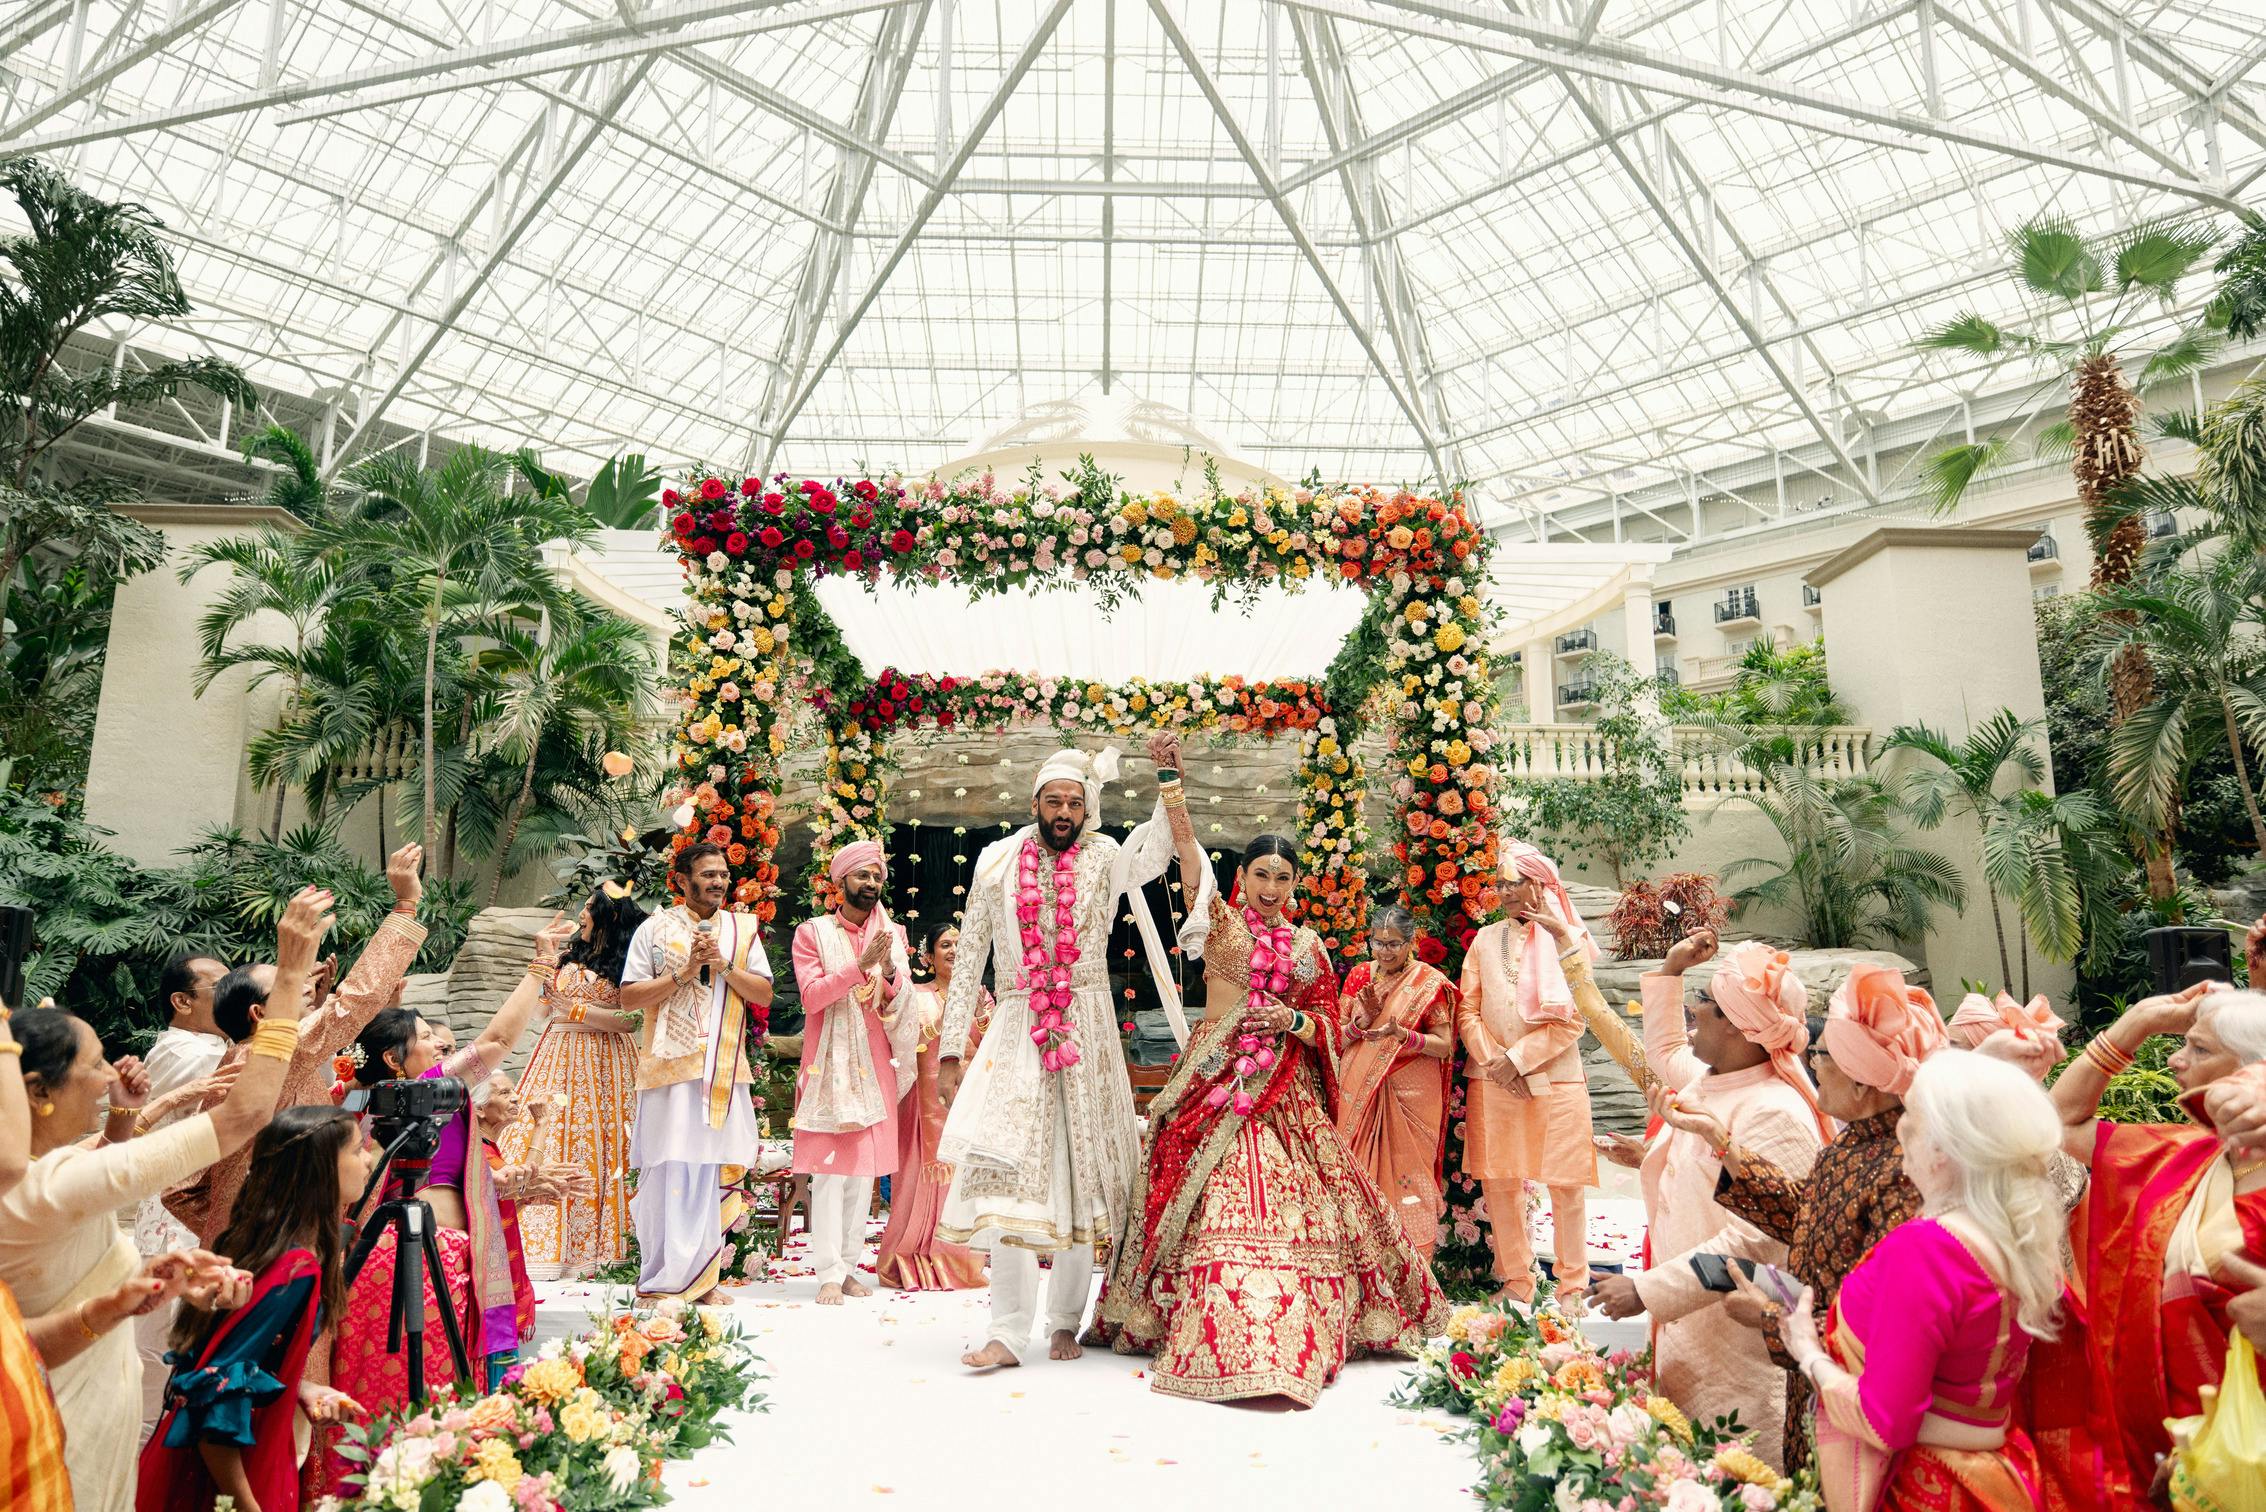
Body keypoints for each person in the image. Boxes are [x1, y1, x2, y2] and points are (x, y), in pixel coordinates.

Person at [1089, 798, 1448, 1406]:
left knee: (1316, 1200)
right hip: (1217, 1082)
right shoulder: (1222, 922)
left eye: (1283, 878)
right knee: (1205, 1190)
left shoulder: (1311, 947)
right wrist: (1175, 788)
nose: (1272, 888)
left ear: (1295, 884)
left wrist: (1296, 1020)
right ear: (1243, 878)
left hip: (1287, 1091)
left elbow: (1331, 1022)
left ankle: (1294, 1329)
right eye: (1262, 875)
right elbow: (1187, 858)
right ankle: (1198, 1320)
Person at [0, 889, 334, 1512]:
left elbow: (17, 1340)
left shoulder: (54, 1173)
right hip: (53, 1445)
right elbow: (247, 1115)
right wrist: (289, 977)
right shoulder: (44, 1188)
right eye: (95, 1066)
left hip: (71, 1428)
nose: (108, 1079)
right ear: (36, 1091)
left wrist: (129, 1292)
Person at [934, 736, 1186, 1370]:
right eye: (1054, 801)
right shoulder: (996, 861)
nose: (1064, 812)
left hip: (1089, 1029)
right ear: (1035, 802)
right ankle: (1007, 1329)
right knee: (1008, 1171)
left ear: (1088, 808)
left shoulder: (1104, 857)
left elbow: (1159, 851)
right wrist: (948, 1052)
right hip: (1017, 1026)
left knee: (1083, 1172)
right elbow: (969, 961)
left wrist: (1168, 781)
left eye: (1075, 802)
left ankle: (1066, 1320)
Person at [315, 914, 573, 1491]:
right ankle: (422, 1482)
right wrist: (539, 966)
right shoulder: (424, 1087)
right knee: (430, 1379)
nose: (438, 1042)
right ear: (393, 1060)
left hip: (402, 1254)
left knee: (381, 1374)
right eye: (427, 1034)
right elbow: (501, 1041)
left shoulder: (353, 1098)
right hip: (416, 1258)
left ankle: (368, 1484)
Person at [1660, 959, 1943, 1475]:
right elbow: (1799, 1213)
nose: (1810, 1059)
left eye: (1825, 1054)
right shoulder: (1851, 1147)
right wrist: (1719, 1141)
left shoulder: (1904, 1173)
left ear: (1863, 1086)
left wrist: (1772, 1319)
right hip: (1816, 1388)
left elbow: (1889, 1326)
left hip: (1860, 1407)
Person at [1766, 1052, 2068, 1512]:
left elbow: (1885, 1420)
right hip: (1994, 1472)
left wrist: (1808, 1352)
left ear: (1946, 1148)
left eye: (1914, 1117)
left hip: (1922, 1484)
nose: (1902, 1130)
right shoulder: (2009, 1235)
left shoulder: (1929, 1249)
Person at [1591, 929, 1831, 1469]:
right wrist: (1671, 972)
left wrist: (1649, 1290)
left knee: (1734, 1474)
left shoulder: (1774, 1111)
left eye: (1707, 1002)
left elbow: (1757, 1239)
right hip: (1691, 1326)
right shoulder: (1711, 1080)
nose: (1695, 1009)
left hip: (1736, 1342)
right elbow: (1666, 1049)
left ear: (1740, 1028)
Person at [2049, 981, 2266, 1499]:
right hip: (2158, 1459)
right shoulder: (2181, 1155)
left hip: (2243, 1459)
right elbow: (2054, 1122)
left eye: (2199, 1048)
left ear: (2251, 1071)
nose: (2174, 1058)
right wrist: (2139, 1021)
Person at [170, 843, 428, 1245]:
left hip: (260, 1248)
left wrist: (228, 1226)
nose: (306, 988)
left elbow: (180, 1189)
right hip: (283, 1251)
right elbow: (355, 1000)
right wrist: (406, 906)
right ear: (259, 1015)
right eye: (288, 983)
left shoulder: (246, 1060)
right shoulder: (267, 1054)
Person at [137, 1106, 368, 1512]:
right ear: (320, 1170)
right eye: (357, 1149)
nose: (368, 1159)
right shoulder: (296, 1268)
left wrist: (300, 1386)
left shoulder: (275, 1249)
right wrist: (247, 1506)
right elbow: (214, 1395)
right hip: (232, 1475)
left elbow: (235, 1359)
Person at [618, 842, 775, 1305]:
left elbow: (763, 994)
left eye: (723, 875)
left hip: (723, 1068)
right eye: (708, 874)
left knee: (709, 1170)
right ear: (682, 881)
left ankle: (703, 1282)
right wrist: (685, 972)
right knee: (667, 1170)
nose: (719, 882)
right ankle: (663, 1277)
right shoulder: (655, 928)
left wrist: (723, 966)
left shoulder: (741, 930)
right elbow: (628, 998)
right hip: (670, 1071)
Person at [1455, 839, 1607, 1303]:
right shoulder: (1484, 939)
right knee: (1500, 1182)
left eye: (1513, 883)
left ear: (1539, 886)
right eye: (1499, 884)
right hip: (1492, 1077)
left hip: (1556, 1078)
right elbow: (1467, 1012)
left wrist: (1516, 1060)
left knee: (1566, 1184)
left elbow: (1577, 1018)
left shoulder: (1570, 941)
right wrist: (1496, 1063)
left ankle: (1572, 1287)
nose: (1503, 892)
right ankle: (1517, 1282)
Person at [790, 840, 914, 1305]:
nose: (871, 884)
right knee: (828, 1172)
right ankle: (827, 1271)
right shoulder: (812, 933)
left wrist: (884, 973)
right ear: (839, 882)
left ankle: (847, 1267)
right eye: (862, 876)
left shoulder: (893, 934)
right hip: (828, 1064)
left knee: (862, 1174)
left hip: (876, 1061)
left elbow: (895, 1001)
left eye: (877, 876)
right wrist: (857, 967)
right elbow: (813, 997)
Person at [501, 883, 645, 1279]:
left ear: (608, 916)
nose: (580, 914)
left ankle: (606, 1248)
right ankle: (545, 1246)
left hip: (608, 1061)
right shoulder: (569, 955)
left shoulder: (628, 961)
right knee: (551, 1132)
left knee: (610, 1143)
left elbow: (632, 1021)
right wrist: (542, 960)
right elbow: (543, 1011)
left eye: (588, 907)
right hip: (558, 1055)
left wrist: (579, 1010)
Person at [1334, 905, 1457, 1259]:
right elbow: (1338, 1038)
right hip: (1360, 1089)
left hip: (1412, 1092)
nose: (1386, 951)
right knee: (1357, 1174)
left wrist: (1404, 1035)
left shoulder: (1427, 982)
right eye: (1379, 943)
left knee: (1410, 1175)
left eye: (1394, 944)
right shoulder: (1359, 976)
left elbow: (1444, 1044)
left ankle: (1412, 1264)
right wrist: (1363, 1021)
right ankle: (1362, 1260)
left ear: (1410, 942)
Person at [873, 922, 989, 1291]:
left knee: (963, 1180)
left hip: (969, 1102)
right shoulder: (916, 995)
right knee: (917, 1180)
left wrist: (981, 1016)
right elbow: (903, 1037)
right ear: (927, 957)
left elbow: (991, 1045)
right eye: (945, 944)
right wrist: (946, 1020)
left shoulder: (981, 995)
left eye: (960, 943)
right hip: (922, 1107)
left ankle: (958, 1258)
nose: (954, 950)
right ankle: (912, 1255)